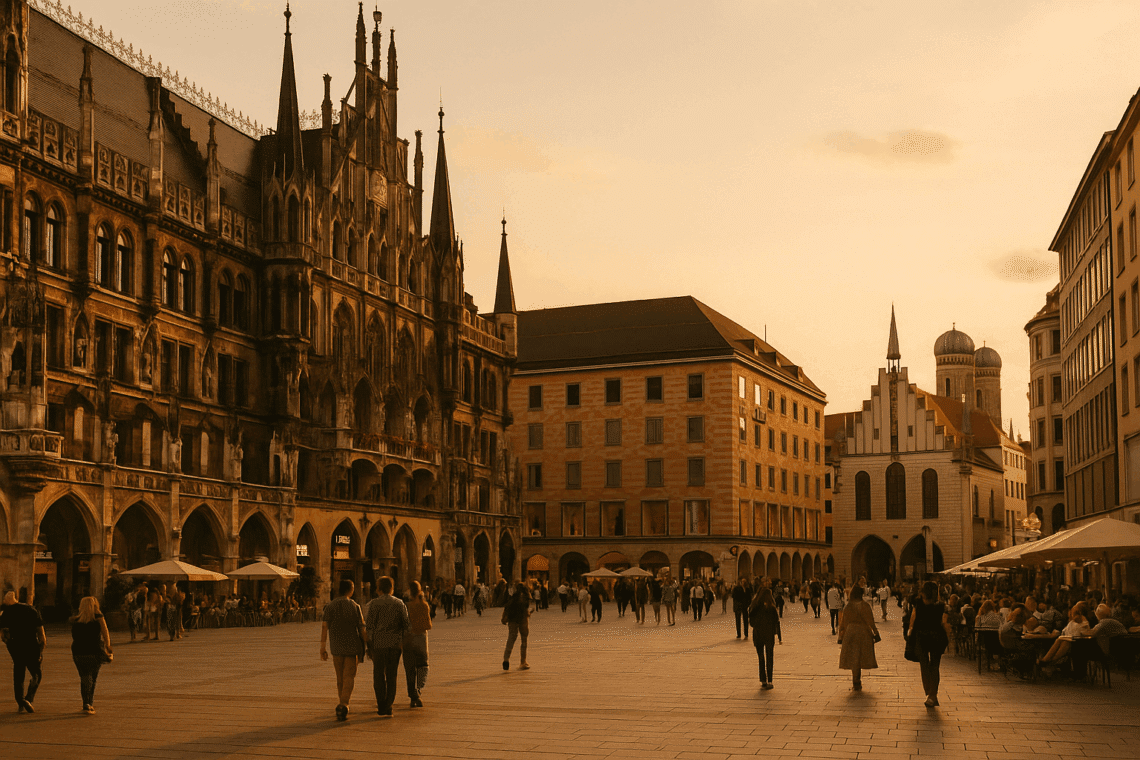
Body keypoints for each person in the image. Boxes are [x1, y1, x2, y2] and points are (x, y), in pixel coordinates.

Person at [320, 579, 366, 721]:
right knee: (349, 677)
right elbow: (361, 629)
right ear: (351, 589)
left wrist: (322, 646)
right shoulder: (355, 606)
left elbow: (324, 626)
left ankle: (342, 703)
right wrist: (368, 643)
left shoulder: (330, 606)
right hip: (352, 648)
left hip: (336, 647)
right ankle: (344, 703)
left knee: (340, 677)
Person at [366, 576, 409, 717]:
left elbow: (369, 627)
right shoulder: (399, 603)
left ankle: (381, 705)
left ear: (379, 588)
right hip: (394, 645)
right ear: (392, 588)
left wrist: (369, 646)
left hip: (378, 645)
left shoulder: (373, 604)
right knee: (391, 675)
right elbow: (406, 625)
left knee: (378, 675)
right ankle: (389, 704)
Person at [0, 590, 45, 713]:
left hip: (15, 646)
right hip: (32, 645)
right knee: (36, 673)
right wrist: (40, 651)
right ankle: (28, 698)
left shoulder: (6, 613)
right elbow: (42, 635)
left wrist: (8, 643)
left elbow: (3, 635)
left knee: (19, 672)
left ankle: (20, 700)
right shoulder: (32, 610)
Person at [906, 581, 950, 708]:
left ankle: (929, 691)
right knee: (935, 665)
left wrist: (910, 632)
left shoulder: (918, 603)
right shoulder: (941, 605)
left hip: (921, 637)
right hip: (937, 637)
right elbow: (944, 622)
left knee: (924, 664)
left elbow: (912, 618)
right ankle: (933, 695)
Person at [70, 596, 112, 714]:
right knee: (92, 678)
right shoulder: (98, 617)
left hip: (78, 652)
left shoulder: (76, 620)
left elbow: (75, 636)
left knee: (84, 676)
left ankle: (86, 703)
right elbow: (105, 633)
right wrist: (108, 648)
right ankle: (89, 703)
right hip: (94, 651)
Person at [838, 585, 879, 691]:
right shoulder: (865, 605)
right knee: (860, 656)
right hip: (863, 632)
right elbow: (871, 621)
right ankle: (857, 680)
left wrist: (841, 635)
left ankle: (856, 680)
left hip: (850, 632)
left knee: (853, 657)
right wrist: (876, 633)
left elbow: (843, 622)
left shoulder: (848, 606)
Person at [403, 581, 431, 708]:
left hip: (408, 639)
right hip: (420, 638)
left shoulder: (405, 606)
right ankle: (418, 689)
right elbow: (428, 625)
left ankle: (412, 694)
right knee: (423, 666)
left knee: (410, 669)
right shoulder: (424, 605)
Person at [748, 588, 782, 690]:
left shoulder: (754, 607)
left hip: (758, 634)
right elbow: (777, 621)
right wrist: (779, 636)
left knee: (761, 658)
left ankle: (763, 679)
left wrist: (758, 625)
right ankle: (770, 680)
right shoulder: (771, 608)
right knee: (769, 657)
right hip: (769, 634)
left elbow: (751, 623)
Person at [502, 581, 531, 671]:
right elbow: (526, 608)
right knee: (524, 641)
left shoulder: (512, 597)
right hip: (523, 619)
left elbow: (506, 606)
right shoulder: (526, 596)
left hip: (512, 620)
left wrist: (504, 617)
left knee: (511, 639)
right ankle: (523, 662)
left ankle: (506, 659)